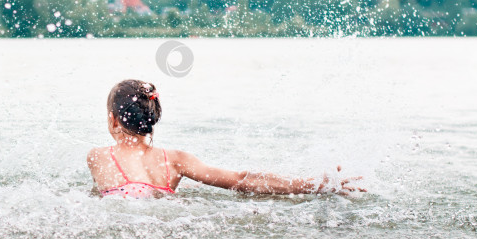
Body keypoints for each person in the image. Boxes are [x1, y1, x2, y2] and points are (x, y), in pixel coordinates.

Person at [87, 79, 365, 199]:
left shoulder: (97, 157)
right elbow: (242, 180)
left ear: (113, 119)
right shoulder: (175, 161)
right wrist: (314, 185)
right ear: (153, 116)